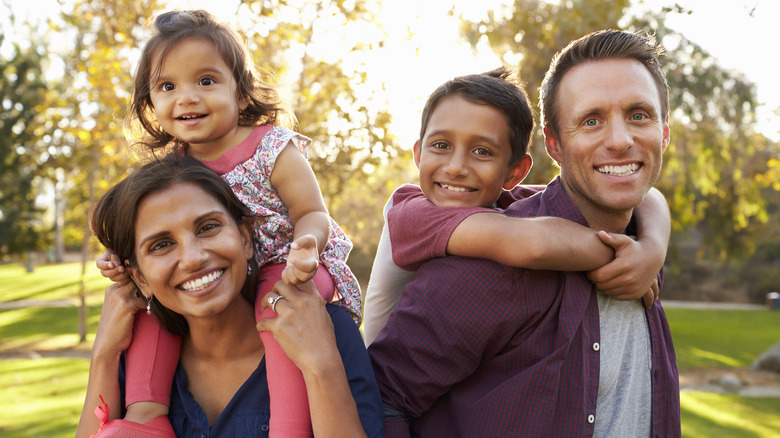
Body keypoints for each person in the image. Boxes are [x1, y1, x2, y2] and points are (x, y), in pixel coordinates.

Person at [368, 29, 680, 437]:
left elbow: (651, 198)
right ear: (555, 144)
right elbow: (381, 397)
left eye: (639, 115)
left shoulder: (642, 245)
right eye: (591, 120)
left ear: (665, 131)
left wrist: (651, 247)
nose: (621, 140)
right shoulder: (487, 258)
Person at [95, 10, 361, 437]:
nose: (187, 97)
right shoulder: (174, 170)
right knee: (151, 312)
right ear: (151, 105)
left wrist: (307, 246)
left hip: (289, 264)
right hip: (231, 273)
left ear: (240, 93)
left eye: (206, 81)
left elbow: (312, 211)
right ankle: (146, 417)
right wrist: (118, 259)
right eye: (168, 86)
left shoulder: (271, 147)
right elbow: (139, 231)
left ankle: (288, 426)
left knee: (274, 310)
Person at [76, 155, 383, 438]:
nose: (193, 258)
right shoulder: (133, 362)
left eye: (208, 227)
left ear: (246, 239)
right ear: (140, 278)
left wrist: (321, 366)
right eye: (161, 245)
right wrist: (104, 354)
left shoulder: (322, 329)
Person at [362, 67, 670, 346]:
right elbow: (536, 243)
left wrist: (652, 249)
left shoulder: (504, 201)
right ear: (418, 154)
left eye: (482, 151)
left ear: (515, 172)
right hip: (379, 392)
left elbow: (650, 197)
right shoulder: (410, 211)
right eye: (441, 145)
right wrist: (626, 256)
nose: (456, 167)